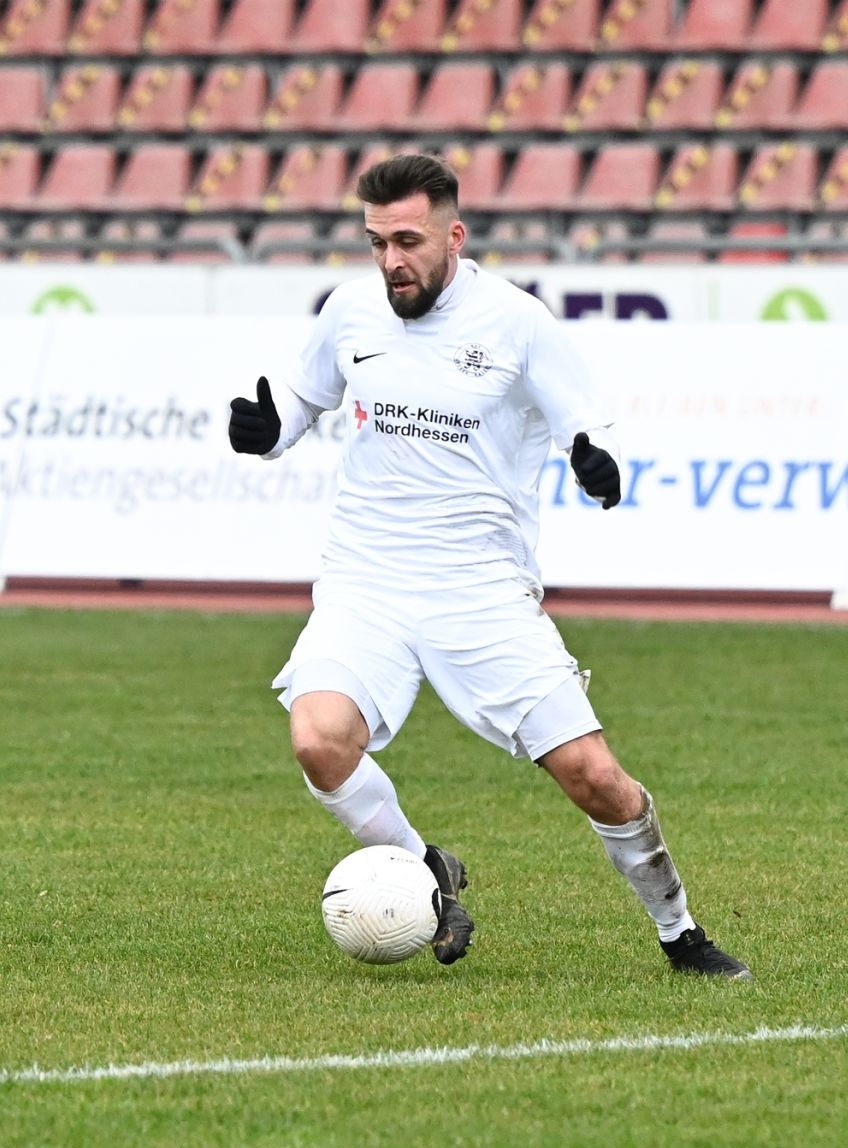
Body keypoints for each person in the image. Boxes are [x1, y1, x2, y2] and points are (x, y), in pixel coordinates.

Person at [228, 153, 749, 979]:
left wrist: (597, 463)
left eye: (408, 240)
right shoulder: (352, 310)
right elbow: (299, 398)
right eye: (377, 242)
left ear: (454, 237)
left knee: (594, 776)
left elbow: (590, 426)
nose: (391, 260)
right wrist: (269, 428)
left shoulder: (517, 322)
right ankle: (425, 870)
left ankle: (680, 933)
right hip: (367, 580)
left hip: (481, 589)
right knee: (319, 740)